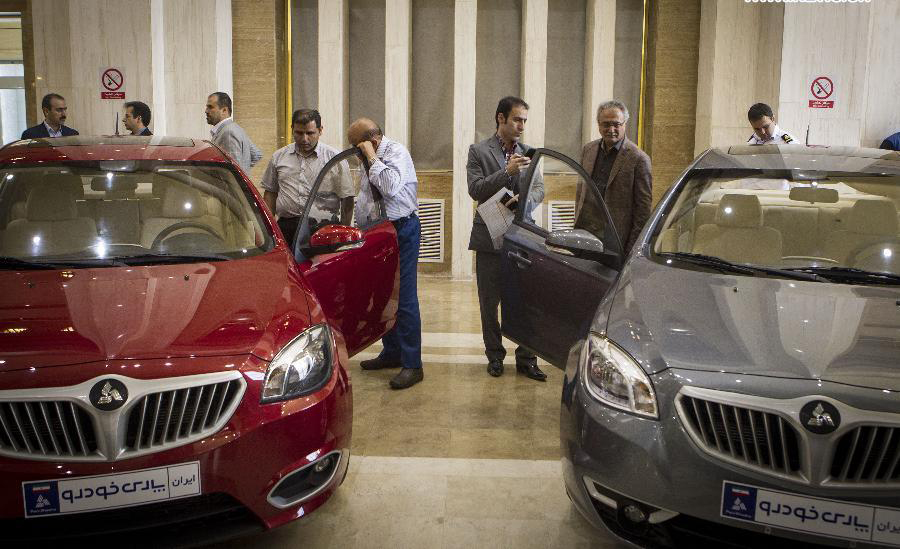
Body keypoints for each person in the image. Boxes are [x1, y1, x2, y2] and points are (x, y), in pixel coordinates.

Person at [466, 96, 546, 381]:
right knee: (489, 303)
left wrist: (523, 202)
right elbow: (475, 189)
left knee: (527, 301)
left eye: (524, 120)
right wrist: (505, 173)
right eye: (517, 120)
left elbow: (539, 189)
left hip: (522, 236)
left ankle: (527, 359)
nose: (522, 126)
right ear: (501, 118)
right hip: (489, 236)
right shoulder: (478, 151)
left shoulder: (529, 152)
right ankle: (495, 357)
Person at [350, 118, 423, 390]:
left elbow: (390, 186)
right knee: (383, 295)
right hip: (378, 232)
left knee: (404, 296)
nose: (355, 152)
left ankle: (413, 364)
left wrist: (370, 155)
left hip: (402, 229)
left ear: (372, 141)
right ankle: (392, 352)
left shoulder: (395, 152)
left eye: (356, 147)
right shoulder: (369, 158)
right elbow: (367, 197)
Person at [261, 109, 354, 250]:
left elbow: (347, 199)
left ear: (320, 130)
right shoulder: (279, 157)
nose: (304, 139)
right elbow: (270, 193)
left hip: (323, 228)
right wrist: (269, 229)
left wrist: (343, 234)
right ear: (292, 129)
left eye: (310, 133)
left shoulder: (334, 159)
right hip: (286, 227)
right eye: (299, 133)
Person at [578, 100, 653, 255]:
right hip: (585, 234)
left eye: (616, 124)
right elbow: (580, 193)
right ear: (599, 125)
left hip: (616, 242)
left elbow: (643, 212)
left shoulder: (639, 159)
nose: (611, 129)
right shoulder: (588, 150)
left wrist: (630, 250)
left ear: (624, 124)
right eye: (606, 124)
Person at [205, 92, 262, 174]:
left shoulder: (228, 132)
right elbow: (256, 154)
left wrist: (242, 172)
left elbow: (233, 171)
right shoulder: (235, 128)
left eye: (210, 107)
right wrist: (244, 170)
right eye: (207, 107)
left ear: (224, 110)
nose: (206, 111)